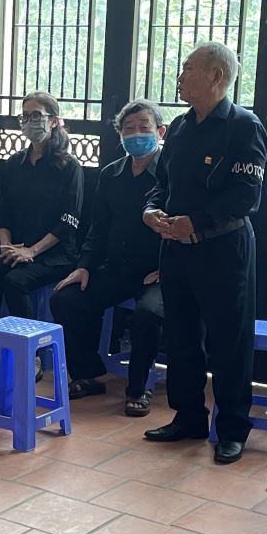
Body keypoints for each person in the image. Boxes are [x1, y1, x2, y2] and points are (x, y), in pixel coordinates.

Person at [142, 41, 267, 464]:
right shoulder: (180, 127)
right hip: (176, 249)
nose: (179, 77)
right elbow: (162, 184)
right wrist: (151, 211)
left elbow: (246, 196)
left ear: (216, 76)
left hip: (223, 250)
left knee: (229, 341)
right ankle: (188, 416)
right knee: (181, 335)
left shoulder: (244, 127)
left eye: (188, 69)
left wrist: (196, 222)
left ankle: (232, 428)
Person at [51, 99, 166, 416]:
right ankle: (89, 374)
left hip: (158, 274)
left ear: (160, 132)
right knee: (65, 299)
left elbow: (183, 226)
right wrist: (84, 266)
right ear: (120, 134)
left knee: (147, 314)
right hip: (116, 269)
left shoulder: (172, 175)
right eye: (129, 128)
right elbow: (98, 228)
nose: (137, 134)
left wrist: (168, 268)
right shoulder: (111, 174)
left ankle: (138, 388)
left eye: (144, 127)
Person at [0, 91, 84, 325]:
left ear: (53, 121)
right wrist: (6, 245)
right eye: (24, 116)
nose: (29, 121)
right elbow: (3, 211)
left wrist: (32, 251)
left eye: (36, 115)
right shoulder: (14, 163)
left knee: (15, 281)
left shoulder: (69, 166)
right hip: (17, 248)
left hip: (55, 254)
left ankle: (30, 346)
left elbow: (68, 220)